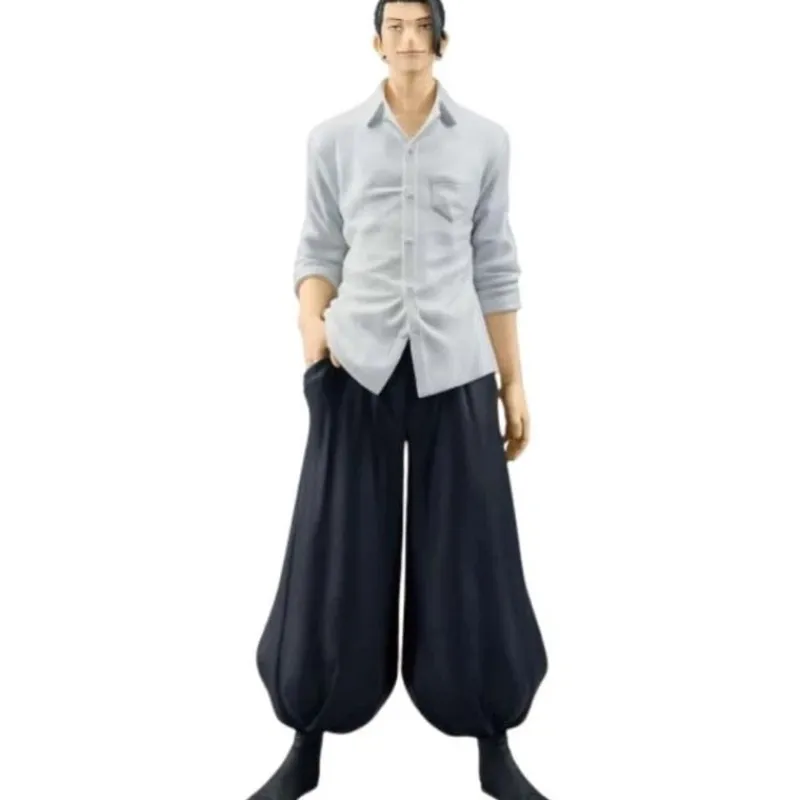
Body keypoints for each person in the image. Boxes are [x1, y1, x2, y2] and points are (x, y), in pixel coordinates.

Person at [247, 2, 551, 798]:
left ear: (442, 40)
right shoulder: (332, 140)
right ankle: (307, 738)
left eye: (422, 26)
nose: (410, 39)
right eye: (396, 27)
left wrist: (513, 380)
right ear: (376, 41)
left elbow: (495, 263)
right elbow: (317, 248)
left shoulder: (486, 141)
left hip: (457, 367)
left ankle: (491, 740)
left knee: (475, 553)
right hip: (356, 367)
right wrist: (313, 341)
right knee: (333, 548)